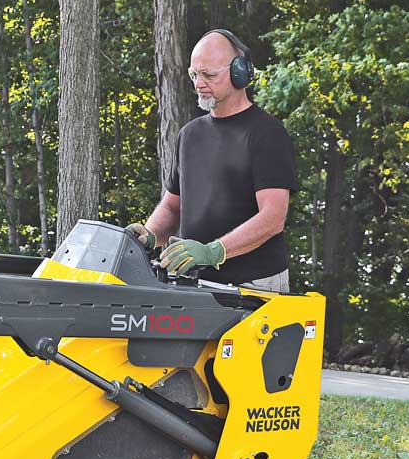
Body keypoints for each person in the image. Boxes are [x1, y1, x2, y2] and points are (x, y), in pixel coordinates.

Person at [127, 29, 296, 292]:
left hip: (255, 286)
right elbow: (172, 207)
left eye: (209, 75)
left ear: (240, 71)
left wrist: (214, 251)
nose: (198, 83)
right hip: (195, 285)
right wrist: (150, 235)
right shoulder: (189, 135)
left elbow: (273, 217)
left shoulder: (266, 133)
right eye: (194, 74)